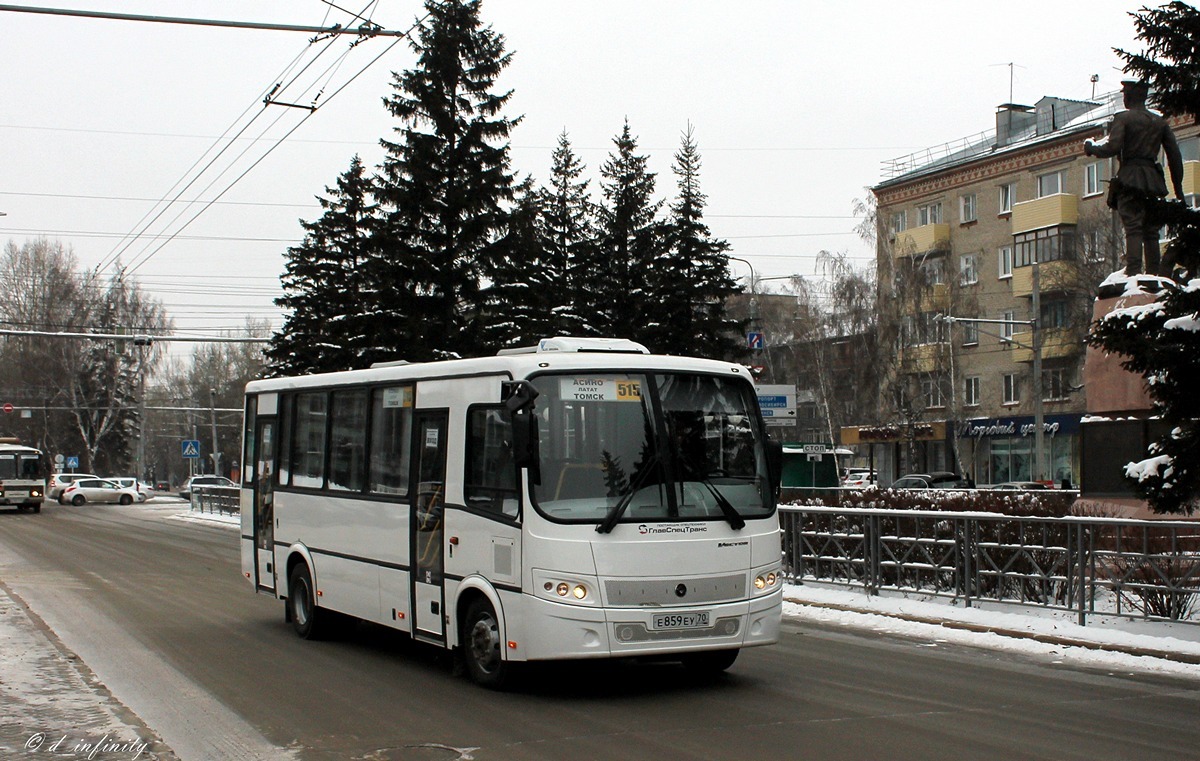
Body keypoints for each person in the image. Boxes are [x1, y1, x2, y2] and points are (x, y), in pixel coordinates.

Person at [1084, 79, 1185, 276]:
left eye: (1125, 94)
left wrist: (1091, 148)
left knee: (1133, 227)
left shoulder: (1123, 118)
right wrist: (1178, 187)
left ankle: (1133, 274)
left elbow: (1112, 147)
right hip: (1153, 181)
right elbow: (1174, 156)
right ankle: (1155, 275)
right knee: (1151, 232)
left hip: (1130, 178)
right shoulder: (1159, 122)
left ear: (1129, 96)